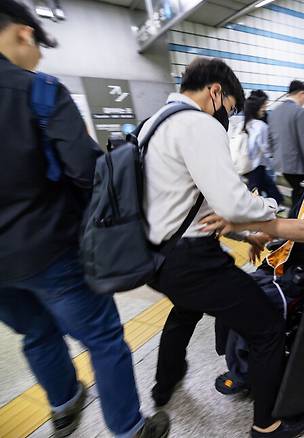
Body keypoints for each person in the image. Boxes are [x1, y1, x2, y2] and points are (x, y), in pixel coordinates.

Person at [0, 2, 169, 437]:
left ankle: (64, 405)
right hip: (50, 248)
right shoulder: (38, 91)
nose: (38, 55)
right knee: (102, 338)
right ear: (22, 33)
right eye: (37, 43)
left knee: (35, 335)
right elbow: (86, 171)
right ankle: (129, 428)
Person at [142, 57, 304, 438]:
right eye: (230, 109)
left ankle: (163, 385)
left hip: (155, 256)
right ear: (215, 92)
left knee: (185, 309)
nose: (228, 118)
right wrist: (268, 209)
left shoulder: (153, 125)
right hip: (191, 260)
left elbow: (190, 207)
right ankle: (268, 424)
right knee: (267, 325)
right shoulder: (197, 123)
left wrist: (243, 235)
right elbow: (233, 204)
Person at [205, 137, 304, 395]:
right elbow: (292, 223)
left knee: (250, 303)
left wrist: (243, 225)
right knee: (230, 290)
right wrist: (261, 237)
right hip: (281, 264)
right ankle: (234, 356)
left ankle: (245, 372)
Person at [269, 80, 304, 207]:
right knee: (302, 193)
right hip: (297, 165)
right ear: (301, 94)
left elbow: (271, 140)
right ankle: (296, 217)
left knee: (297, 191)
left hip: (281, 164)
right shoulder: (300, 112)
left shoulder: (274, 112)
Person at [242, 93, 284, 205]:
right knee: (265, 194)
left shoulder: (247, 124)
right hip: (258, 166)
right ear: (257, 108)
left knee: (262, 192)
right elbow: (265, 147)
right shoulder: (261, 125)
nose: (264, 109)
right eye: (263, 106)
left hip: (250, 166)